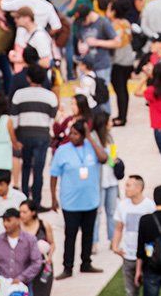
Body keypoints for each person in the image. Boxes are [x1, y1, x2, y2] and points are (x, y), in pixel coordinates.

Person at [50, 119, 107, 278]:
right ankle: (67, 267)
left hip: (90, 200)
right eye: (71, 133)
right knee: (71, 235)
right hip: (70, 202)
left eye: (76, 134)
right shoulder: (62, 150)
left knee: (88, 233)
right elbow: (54, 175)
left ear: (83, 135)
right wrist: (53, 197)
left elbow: (103, 158)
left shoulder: (92, 147)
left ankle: (86, 263)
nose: (72, 136)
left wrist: (90, 138)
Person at [12, 66, 57, 207]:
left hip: (24, 135)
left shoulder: (19, 95)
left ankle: (25, 200)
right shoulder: (51, 96)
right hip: (42, 136)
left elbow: (14, 119)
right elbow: (52, 120)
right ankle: (36, 202)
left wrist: (15, 139)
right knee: (38, 169)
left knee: (25, 167)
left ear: (28, 78)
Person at [112, 175, 155, 296]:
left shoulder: (149, 206)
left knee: (149, 291)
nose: (125, 188)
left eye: (128, 185)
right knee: (130, 292)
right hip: (128, 256)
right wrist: (115, 247)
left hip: (146, 257)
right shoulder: (122, 205)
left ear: (139, 188)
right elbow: (119, 228)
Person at [0, 207, 44, 294]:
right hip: (2, 287)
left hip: (24, 286)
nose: (5, 224)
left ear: (18, 220)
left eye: (8, 220)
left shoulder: (30, 240)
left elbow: (36, 262)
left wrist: (21, 278)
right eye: (4, 221)